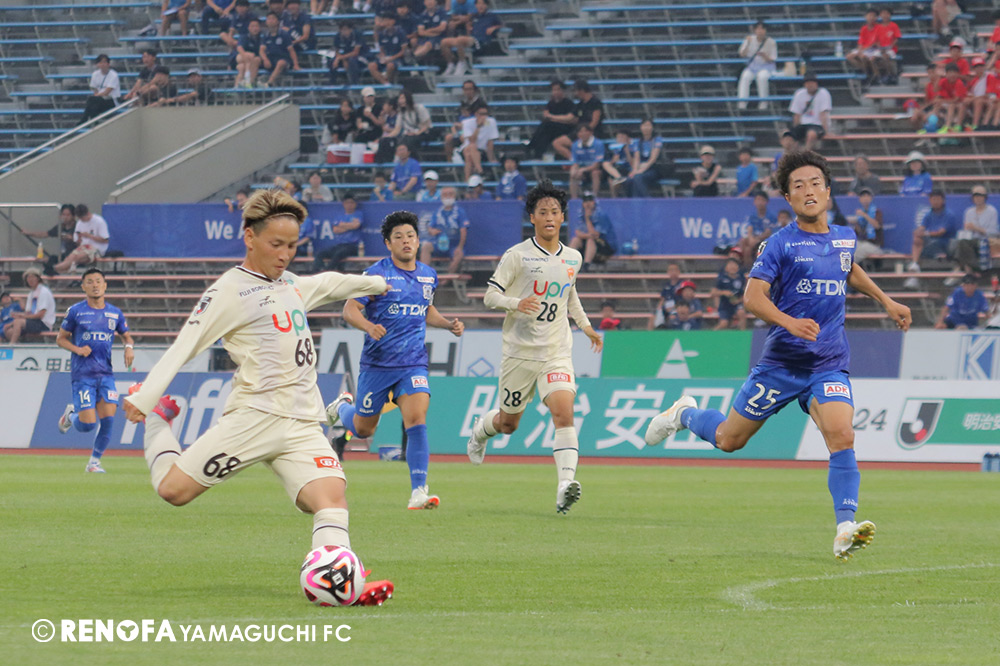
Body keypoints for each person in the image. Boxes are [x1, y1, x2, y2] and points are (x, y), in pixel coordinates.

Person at [122, 189, 394, 606]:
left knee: (331, 497)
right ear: (249, 237)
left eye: (292, 245)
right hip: (254, 418)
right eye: (276, 244)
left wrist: (378, 283)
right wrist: (146, 400)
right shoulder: (228, 292)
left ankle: (340, 585)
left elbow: (330, 283)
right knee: (173, 491)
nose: (285, 255)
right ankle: (161, 419)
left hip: (302, 422)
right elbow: (185, 345)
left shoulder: (291, 284)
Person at [644, 150, 913, 560]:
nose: (808, 191)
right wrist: (790, 322)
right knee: (729, 439)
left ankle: (845, 528)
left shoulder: (844, 237)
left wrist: (886, 301)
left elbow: (848, 268)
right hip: (781, 365)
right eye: (798, 186)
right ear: (788, 198)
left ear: (828, 191)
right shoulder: (779, 244)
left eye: (815, 183)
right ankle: (684, 414)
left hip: (827, 364)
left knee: (842, 435)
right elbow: (753, 297)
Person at [466, 181, 603, 514]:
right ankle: (480, 432)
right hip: (519, 353)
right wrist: (516, 303)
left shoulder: (573, 257)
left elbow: (569, 294)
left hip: (556, 351)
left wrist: (585, 326)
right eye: (543, 212)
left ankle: (565, 485)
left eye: (555, 212)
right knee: (508, 424)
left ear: (562, 217)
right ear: (533, 218)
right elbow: (490, 296)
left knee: (564, 413)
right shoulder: (517, 255)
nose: (550, 217)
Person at [327, 211, 464, 509]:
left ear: (418, 241)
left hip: (413, 364)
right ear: (388, 244)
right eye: (399, 237)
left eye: (410, 236)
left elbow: (426, 309)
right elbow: (349, 309)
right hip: (377, 365)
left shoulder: (428, 275)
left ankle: (418, 491)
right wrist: (368, 326)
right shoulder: (376, 276)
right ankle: (342, 407)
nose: (406, 241)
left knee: (416, 420)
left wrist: (447, 324)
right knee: (364, 429)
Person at [55, 268, 135, 473]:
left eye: (98, 281)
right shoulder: (76, 311)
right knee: (88, 424)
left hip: (106, 375)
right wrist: (78, 349)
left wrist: (128, 348)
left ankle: (94, 463)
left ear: (105, 285)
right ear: (83, 287)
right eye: (89, 281)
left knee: (108, 421)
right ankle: (71, 416)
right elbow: (60, 339)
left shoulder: (114, 313)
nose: (95, 285)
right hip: (83, 375)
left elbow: (126, 336)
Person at [906, 189, 959, 288]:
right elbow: (922, 228)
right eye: (933, 199)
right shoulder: (928, 214)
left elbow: (941, 232)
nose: (935, 202)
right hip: (931, 243)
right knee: (917, 239)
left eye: (938, 199)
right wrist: (918, 232)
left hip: (945, 243)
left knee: (920, 244)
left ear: (943, 200)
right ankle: (914, 268)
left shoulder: (949, 215)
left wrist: (924, 233)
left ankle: (914, 269)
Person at [440, 0, 502, 76]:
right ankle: (451, 64)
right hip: (471, 39)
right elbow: (468, 25)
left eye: (482, 4)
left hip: (481, 41)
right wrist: (468, 27)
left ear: (486, 5)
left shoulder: (492, 16)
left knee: (460, 39)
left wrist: (494, 28)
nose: (480, 6)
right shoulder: (474, 16)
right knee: (444, 42)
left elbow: (501, 25)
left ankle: (462, 63)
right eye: (478, 4)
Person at [551, 79, 605, 160]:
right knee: (557, 143)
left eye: (576, 91)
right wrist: (552, 117)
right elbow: (569, 117)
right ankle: (575, 160)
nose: (575, 93)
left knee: (582, 145)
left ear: (581, 90)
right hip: (579, 132)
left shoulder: (595, 103)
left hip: (592, 132)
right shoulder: (580, 104)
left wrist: (586, 133)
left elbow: (594, 121)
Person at [420, 186, 468, 274]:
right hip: (439, 243)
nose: (448, 196)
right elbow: (430, 227)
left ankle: (447, 277)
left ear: (454, 196)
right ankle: (424, 275)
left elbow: (463, 231)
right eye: (445, 194)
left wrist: (460, 247)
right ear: (441, 197)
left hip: (453, 245)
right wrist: (432, 231)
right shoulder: (438, 212)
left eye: (450, 194)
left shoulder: (460, 212)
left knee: (459, 254)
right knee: (426, 246)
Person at [526, 79, 577, 159]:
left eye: (558, 89)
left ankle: (531, 145)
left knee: (546, 125)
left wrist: (553, 118)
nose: (556, 92)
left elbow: (570, 119)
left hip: (565, 129)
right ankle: (537, 154)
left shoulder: (569, 103)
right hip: (552, 129)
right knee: (545, 132)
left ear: (563, 90)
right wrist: (556, 119)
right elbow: (546, 115)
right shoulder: (551, 103)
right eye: (554, 90)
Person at [954, 184, 999, 275]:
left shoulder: (992, 211)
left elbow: (993, 232)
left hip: (987, 240)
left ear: (985, 197)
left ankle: (967, 269)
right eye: (975, 196)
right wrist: (967, 230)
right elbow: (967, 231)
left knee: (963, 245)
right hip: (972, 239)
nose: (978, 198)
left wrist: (976, 229)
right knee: (961, 242)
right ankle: (972, 269)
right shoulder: (969, 212)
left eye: (980, 196)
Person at [3, 267, 56, 344]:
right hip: (33, 321)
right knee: (8, 329)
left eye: (32, 277)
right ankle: (18, 346)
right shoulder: (31, 294)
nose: (30, 279)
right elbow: (28, 313)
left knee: (18, 322)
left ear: (38, 279)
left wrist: (22, 317)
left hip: (43, 323)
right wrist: (18, 316)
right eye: (28, 277)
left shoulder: (44, 292)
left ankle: (11, 345)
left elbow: (40, 315)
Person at [53, 204, 109, 274]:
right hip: (84, 247)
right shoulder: (80, 223)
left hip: (96, 248)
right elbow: (77, 240)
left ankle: (54, 268)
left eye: (83, 218)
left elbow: (105, 240)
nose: (82, 220)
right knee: (70, 257)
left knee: (77, 258)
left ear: (87, 214)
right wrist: (78, 239)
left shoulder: (99, 221)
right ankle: (55, 269)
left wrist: (89, 236)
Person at [314, 192, 362, 273]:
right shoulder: (339, 216)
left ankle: (327, 272)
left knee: (339, 254)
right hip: (339, 245)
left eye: (352, 203)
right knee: (320, 253)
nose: (349, 205)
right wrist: (350, 226)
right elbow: (336, 230)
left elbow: (356, 226)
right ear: (344, 204)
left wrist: (342, 225)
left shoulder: (358, 214)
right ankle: (318, 272)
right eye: (347, 203)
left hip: (352, 246)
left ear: (355, 204)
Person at [569, 192, 617, 271]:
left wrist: (588, 219)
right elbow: (578, 233)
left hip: (606, 247)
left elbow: (595, 235)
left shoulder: (601, 215)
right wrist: (588, 235)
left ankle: (586, 266)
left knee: (590, 240)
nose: (587, 203)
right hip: (592, 246)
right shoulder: (582, 215)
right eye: (585, 201)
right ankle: (568, 265)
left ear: (594, 202)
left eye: (590, 200)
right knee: (576, 240)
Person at [25, 204, 77, 275]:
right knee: (49, 260)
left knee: (51, 260)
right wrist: (28, 233)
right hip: (63, 256)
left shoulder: (78, 227)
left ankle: (53, 274)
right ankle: (50, 275)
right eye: (63, 214)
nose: (65, 217)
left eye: (68, 215)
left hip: (75, 256)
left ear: (73, 216)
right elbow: (45, 234)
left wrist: (72, 238)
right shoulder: (60, 227)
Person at [737, 20, 777, 110]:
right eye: (758, 29)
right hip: (752, 66)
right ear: (754, 30)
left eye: (762, 29)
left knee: (762, 77)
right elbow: (742, 54)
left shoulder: (771, 42)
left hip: (766, 66)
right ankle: (742, 103)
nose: (760, 31)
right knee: (745, 77)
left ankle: (763, 103)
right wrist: (747, 43)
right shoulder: (749, 39)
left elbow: (773, 59)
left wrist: (764, 56)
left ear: (765, 30)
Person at [788, 74, 831, 150]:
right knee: (787, 135)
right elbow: (797, 115)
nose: (810, 85)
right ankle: (792, 153)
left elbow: (823, 114)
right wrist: (795, 129)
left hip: (817, 125)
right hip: (803, 124)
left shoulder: (823, 93)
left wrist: (826, 131)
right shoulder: (799, 94)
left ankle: (805, 153)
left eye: (812, 83)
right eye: (808, 83)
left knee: (811, 134)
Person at [260, 10, 300, 87]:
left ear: (277, 21)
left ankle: (269, 83)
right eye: (269, 19)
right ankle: (250, 83)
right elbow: (262, 50)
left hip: (284, 59)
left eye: (273, 19)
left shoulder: (284, 34)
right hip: (271, 59)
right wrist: (265, 59)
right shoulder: (266, 35)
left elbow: (291, 50)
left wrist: (296, 64)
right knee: (255, 60)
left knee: (281, 62)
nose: (271, 21)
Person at [460, 104, 499, 182]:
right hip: (468, 147)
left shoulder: (490, 122)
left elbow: (490, 142)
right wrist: (478, 127)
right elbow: (471, 140)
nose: (484, 116)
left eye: (485, 114)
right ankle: (480, 170)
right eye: (481, 114)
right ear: (476, 114)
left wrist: (491, 158)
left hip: (481, 150)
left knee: (468, 156)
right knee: (472, 146)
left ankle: (467, 180)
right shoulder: (467, 123)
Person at [389, 91, 432, 158]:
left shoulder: (419, 108)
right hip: (408, 135)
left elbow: (427, 125)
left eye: (403, 98)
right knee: (396, 141)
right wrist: (387, 137)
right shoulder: (401, 112)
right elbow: (397, 129)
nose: (401, 101)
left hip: (422, 133)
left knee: (409, 141)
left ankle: (413, 159)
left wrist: (416, 133)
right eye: (400, 99)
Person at [368, 12, 407, 85]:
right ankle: (385, 83)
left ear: (393, 21)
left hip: (397, 59)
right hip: (386, 57)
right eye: (385, 20)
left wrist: (391, 58)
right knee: (371, 65)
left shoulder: (400, 33)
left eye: (388, 20)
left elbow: (403, 51)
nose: (387, 22)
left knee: (390, 65)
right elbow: (381, 49)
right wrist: (383, 57)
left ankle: (389, 81)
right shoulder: (381, 34)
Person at [630, 118, 665, 198]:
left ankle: (648, 199)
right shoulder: (638, 142)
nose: (646, 128)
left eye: (648, 125)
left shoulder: (656, 140)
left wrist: (641, 171)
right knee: (630, 179)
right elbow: (637, 158)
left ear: (652, 127)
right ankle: (633, 201)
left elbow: (653, 159)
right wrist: (635, 170)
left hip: (653, 169)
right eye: (644, 125)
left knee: (638, 177)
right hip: (640, 168)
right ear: (641, 127)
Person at [568, 124, 605, 200]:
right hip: (583, 171)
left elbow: (597, 165)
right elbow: (575, 162)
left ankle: (594, 198)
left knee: (595, 173)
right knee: (573, 175)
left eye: (585, 131)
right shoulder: (575, 145)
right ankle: (574, 199)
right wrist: (573, 171)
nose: (583, 134)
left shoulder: (598, 144)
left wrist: (582, 169)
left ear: (591, 132)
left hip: (598, 170)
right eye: (580, 132)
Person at [845, 9, 882, 84]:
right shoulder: (864, 28)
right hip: (864, 49)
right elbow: (860, 42)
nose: (871, 18)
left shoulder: (879, 28)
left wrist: (862, 51)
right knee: (849, 56)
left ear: (876, 18)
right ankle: (866, 71)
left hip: (874, 49)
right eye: (869, 16)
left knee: (863, 57)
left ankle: (870, 75)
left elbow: (876, 43)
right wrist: (859, 51)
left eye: (873, 16)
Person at [81, 55, 120, 123]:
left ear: (108, 64)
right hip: (99, 100)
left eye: (104, 62)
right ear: (97, 64)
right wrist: (96, 96)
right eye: (100, 62)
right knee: (93, 105)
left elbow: (107, 92)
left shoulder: (114, 75)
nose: (102, 64)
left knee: (92, 100)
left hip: (111, 100)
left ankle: (84, 120)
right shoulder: (95, 74)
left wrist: (96, 96)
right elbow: (94, 89)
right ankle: (92, 122)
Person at [738, 190, 773, 266]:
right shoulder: (753, 216)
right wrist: (751, 238)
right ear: (754, 202)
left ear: (766, 202)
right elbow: (750, 228)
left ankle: (753, 267)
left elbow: (768, 232)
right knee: (743, 242)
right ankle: (745, 266)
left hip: (765, 240)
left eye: (762, 200)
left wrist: (757, 239)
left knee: (748, 249)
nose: (759, 202)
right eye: (758, 200)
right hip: (754, 238)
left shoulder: (771, 216)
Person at [327, 20, 367, 85]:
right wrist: (340, 59)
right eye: (342, 30)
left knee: (352, 61)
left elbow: (355, 52)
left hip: (360, 57)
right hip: (344, 57)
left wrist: (341, 58)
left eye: (345, 29)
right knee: (332, 61)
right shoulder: (338, 36)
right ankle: (332, 84)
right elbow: (337, 51)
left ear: (351, 29)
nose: (344, 32)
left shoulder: (357, 35)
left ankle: (354, 84)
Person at [852, 187, 884, 267]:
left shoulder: (876, 212)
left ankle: (847, 269)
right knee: (851, 247)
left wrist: (865, 215)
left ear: (871, 198)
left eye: (867, 196)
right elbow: (859, 232)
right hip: (863, 242)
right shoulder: (860, 214)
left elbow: (877, 226)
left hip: (875, 245)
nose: (865, 198)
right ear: (860, 199)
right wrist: (856, 224)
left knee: (860, 251)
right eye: (863, 196)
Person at [711, 257, 746, 330]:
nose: (732, 267)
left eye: (734, 265)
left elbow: (746, 294)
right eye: (730, 265)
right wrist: (723, 292)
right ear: (726, 268)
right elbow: (713, 293)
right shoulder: (721, 279)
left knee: (741, 313)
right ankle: (711, 334)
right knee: (724, 323)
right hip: (725, 305)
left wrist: (738, 301)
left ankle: (742, 333)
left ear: (738, 268)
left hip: (737, 304)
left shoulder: (741, 279)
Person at [935, 63, 968, 134]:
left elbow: (956, 99)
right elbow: (935, 89)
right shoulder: (943, 81)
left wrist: (942, 100)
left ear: (958, 74)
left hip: (961, 104)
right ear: (946, 74)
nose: (952, 75)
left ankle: (955, 126)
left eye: (954, 72)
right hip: (951, 103)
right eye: (950, 73)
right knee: (938, 105)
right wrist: (939, 77)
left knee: (953, 106)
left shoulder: (959, 83)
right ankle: (935, 125)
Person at [232, 18, 263, 88]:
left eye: (256, 26)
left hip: (249, 62)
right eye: (252, 26)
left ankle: (236, 87)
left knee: (241, 67)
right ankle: (247, 81)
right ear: (248, 28)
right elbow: (239, 48)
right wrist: (247, 58)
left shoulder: (261, 39)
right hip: (241, 57)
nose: (255, 28)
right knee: (250, 55)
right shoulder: (244, 37)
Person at [602, 129, 633, 197]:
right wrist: (614, 159)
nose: (620, 139)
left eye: (622, 137)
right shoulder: (613, 148)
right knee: (605, 164)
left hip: (626, 168)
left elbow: (632, 163)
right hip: (616, 169)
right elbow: (610, 163)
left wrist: (627, 151)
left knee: (612, 180)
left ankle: (618, 180)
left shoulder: (632, 148)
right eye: (618, 137)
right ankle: (618, 178)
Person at [876, 6, 901, 84]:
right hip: (881, 49)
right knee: (872, 58)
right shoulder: (878, 27)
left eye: (887, 13)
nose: (885, 15)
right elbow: (876, 40)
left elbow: (897, 38)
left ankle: (890, 74)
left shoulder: (894, 25)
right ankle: (877, 76)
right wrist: (880, 48)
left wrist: (890, 47)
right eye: (883, 14)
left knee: (886, 56)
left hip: (891, 49)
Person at [654, 263, 683, 329]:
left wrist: (673, 308)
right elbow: (662, 299)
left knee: (672, 318)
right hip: (665, 308)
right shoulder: (666, 285)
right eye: (671, 270)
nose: (673, 272)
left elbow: (683, 301)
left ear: (679, 272)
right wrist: (659, 308)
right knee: (653, 318)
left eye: (675, 270)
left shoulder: (682, 285)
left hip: (677, 309)